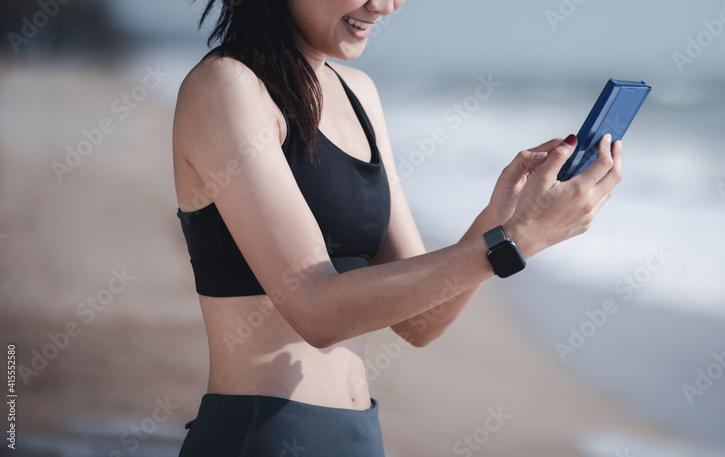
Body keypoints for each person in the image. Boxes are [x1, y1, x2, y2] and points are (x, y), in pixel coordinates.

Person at [173, 0, 623, 455]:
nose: (385, 5)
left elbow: (421, 323)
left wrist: (503, 218)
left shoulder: (357, 92)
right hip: (262, 435)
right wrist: (519, 239)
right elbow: (315, 310)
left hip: (360, 435)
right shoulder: (226, 87)